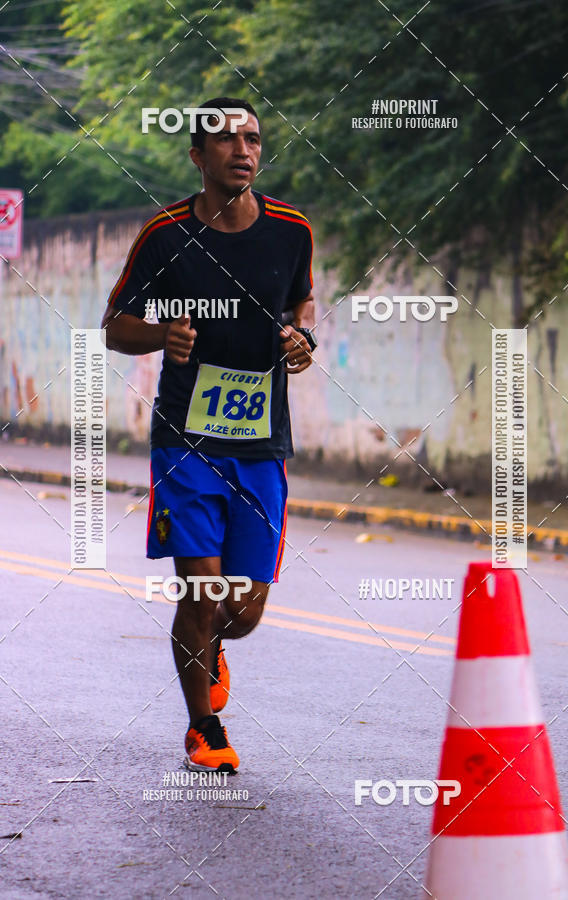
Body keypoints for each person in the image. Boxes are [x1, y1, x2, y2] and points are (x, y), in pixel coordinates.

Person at [101, 97, 317, 773]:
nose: (243, 150)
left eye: (252, 138)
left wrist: (302, 334)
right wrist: (161, 334)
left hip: (261, 443)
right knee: (201, 590)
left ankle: (213, 645)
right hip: (184, 441)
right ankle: (205, 727)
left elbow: (303, 297)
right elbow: (114, 324)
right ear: (198, 156)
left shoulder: (290, 230)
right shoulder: (165, 235)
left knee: (242, 608)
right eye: (226, 140)